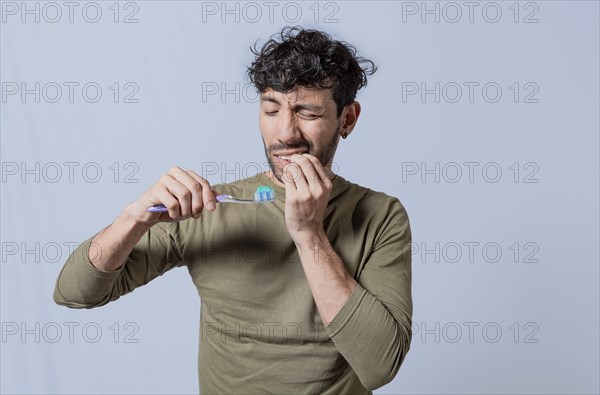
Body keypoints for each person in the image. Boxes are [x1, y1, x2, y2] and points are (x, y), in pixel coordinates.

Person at [54, 26, 413, 394]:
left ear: (347, 119)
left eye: (306, 112)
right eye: (271, 109)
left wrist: (309, 235)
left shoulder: (380, 216)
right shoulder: (210, 208)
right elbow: (75, 292)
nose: (285, 133)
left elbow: (379, 364)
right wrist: (133, 218)